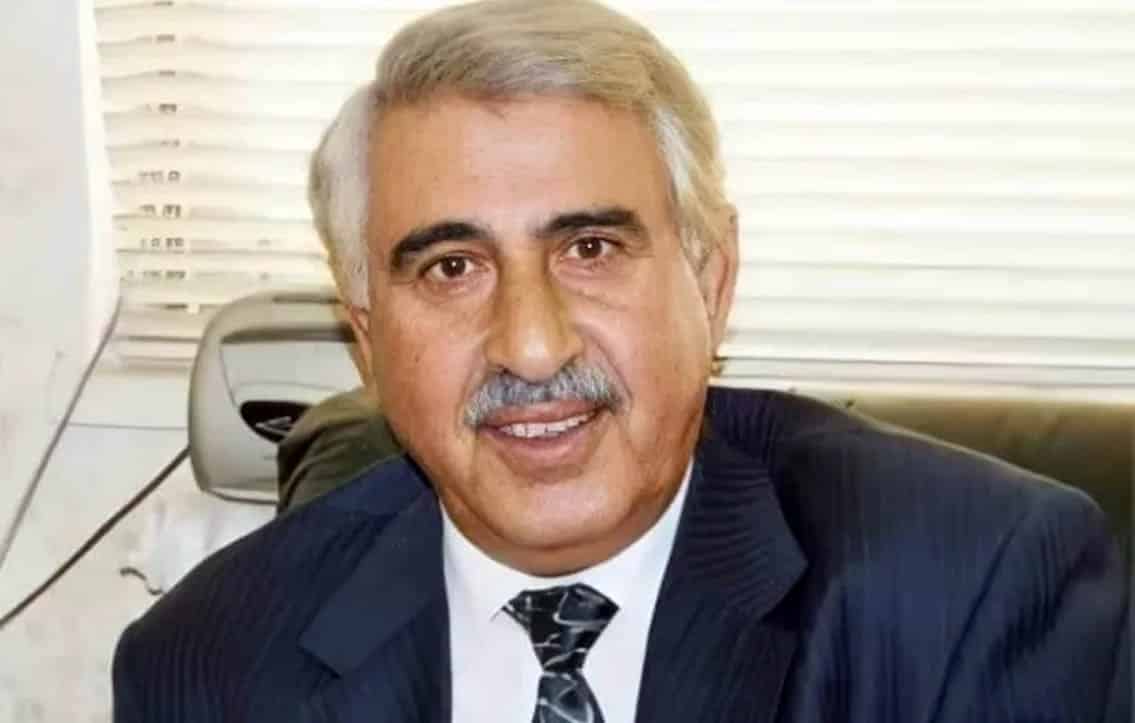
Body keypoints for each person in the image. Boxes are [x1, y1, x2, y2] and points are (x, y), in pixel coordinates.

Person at [112, 1, 1130, 721]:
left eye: (589, 249)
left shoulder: (974, 590)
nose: (531, 343)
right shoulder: (211, 662)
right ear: (368, 338)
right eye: (452, 268)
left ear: (710, 281)